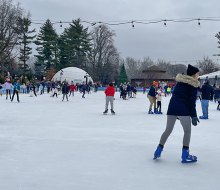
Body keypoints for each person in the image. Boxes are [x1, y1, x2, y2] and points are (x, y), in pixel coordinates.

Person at [153, 64, 200, 163]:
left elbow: (175, 96)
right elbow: (191, 102)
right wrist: (194, 116)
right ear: (194, 75)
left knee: (168, 130)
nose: (198, 75)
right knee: (187, 131)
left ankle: (158, 150)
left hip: (172, 108)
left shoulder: (179, 83)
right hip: (183, 110)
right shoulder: (193, 85)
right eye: (197, 73)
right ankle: (185, 154)